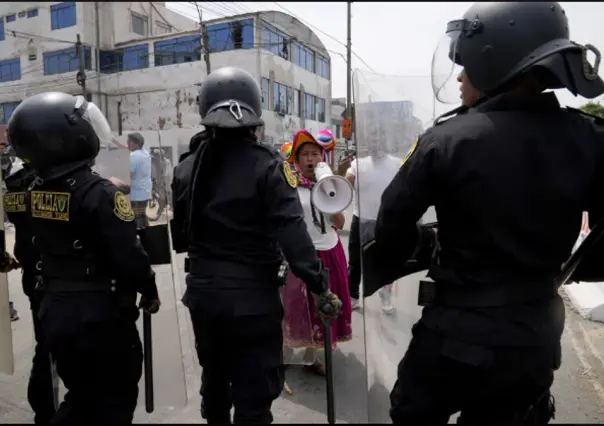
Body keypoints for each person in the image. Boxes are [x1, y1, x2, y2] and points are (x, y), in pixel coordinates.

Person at [365, 2, 604, 424]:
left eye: (467, 66)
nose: (460, 78)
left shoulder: (446, 140)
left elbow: (390, 228)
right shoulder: (589, 139)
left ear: (496, 61)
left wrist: (420, 247)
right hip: (533, 339)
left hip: (452, 338)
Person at [181, 66, 342, 424]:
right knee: (254, 394)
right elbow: (293, 234)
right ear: (253, 113)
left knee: (215, 379)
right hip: (253, 298)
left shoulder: (187, 166)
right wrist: (319, 285)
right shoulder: (269, 166)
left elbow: (182, 235)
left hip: (203, 295)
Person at [7, 92, 161, 424]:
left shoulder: (27, 193)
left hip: (53, 308)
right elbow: (129, 256)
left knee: (79, 394)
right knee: (115, 398)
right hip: (100, 316)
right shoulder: (101, 194)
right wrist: (149, 290)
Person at [281, 129, 353, 377]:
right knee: (295, 306)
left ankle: (311, 357)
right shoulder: (289, 186)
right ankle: (288, 351)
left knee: (320, 308)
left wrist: (330, 194)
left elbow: (340, 223)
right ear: (297, 160)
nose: (310, 159)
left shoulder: (328, 184)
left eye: (314, 153)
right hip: (301, 256)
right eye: (305, 155)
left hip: (329, 251)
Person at [3, 155, 57, 423]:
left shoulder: (15, 183)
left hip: (33, 275)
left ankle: (45, 409)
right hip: (66, 280)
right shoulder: (59, 180)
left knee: (45, 343)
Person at [345, 134, 401, 312]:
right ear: (368, 143)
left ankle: (385, 294)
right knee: (355, 261)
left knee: (386, 262)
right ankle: (353, 296)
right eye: (372, 140)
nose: (375, 144)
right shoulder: (357, 164)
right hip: (360, 218)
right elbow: (345, 185)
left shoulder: (397, 164)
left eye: (379, 139)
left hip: (385, 221)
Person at [127, 132, 152, 228]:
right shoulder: (145, 153)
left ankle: (140, 239)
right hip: (145, 191)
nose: (127, 143)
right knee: (142, 216)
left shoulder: (134, 156)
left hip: (136, 193)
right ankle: (149, 237)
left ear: (135, 144)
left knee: (136, 219)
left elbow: (129, 174)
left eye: (129, 141)